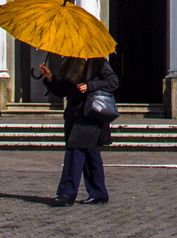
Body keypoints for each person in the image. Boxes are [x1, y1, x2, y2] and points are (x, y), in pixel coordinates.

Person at [38, 56, 118, 206]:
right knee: (90, 155)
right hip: (74, 115)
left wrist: (90, 85)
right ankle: (99, 193)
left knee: (75, 151)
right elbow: (62, 90)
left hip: (89, 115)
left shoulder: (97, 62)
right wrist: (49, 77)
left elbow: (113, 82)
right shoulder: (69, 64)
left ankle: (66, 193)